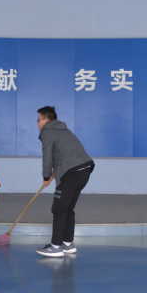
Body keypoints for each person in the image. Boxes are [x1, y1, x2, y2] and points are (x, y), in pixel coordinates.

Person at [36, 106, 95, 258]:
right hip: (85, 168)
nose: (37, 123)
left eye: (38, 119)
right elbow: (63, 156)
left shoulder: (48, 132)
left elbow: (47, 156)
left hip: (73, 172)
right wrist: (52, 175)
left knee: (59, 208)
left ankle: (55, 246)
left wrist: (46, 176)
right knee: (67, 207)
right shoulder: (63, 130)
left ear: (46, 119)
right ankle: (68, 244)